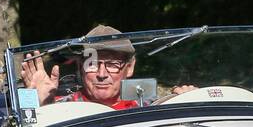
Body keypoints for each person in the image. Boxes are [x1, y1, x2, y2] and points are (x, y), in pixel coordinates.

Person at [20, 24, 193, 107]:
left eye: (112, 64)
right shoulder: (62, 106)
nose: (102, 74)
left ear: (129, 68)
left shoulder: (150, 106)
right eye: (93, 64)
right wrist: (37, 104)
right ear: (80, 67)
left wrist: (189, 99)